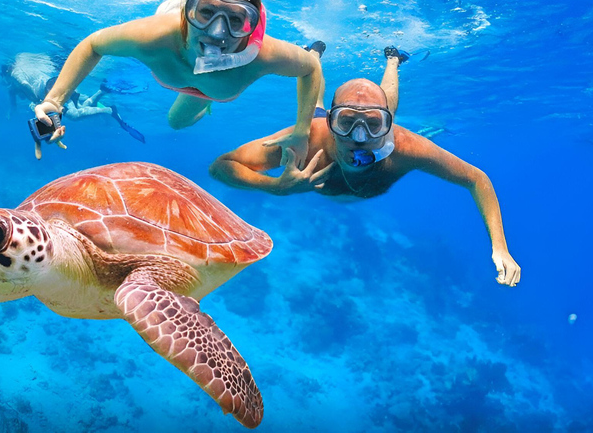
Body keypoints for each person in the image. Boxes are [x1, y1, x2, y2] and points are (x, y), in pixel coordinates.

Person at [209, 47, 521, 287]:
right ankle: (312, 58)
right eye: (346, 121)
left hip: (369, 129)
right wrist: (274, 187)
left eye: (374, 124)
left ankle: (393, 61)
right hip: (321, 121)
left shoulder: (406, 147)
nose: (359, 138)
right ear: (333, 122)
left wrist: (500, 248)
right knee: (313, 109)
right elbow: (220, 166)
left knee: (386, 103)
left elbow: (476, 179)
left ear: (387, 127)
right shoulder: (309, 138)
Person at [33, 0, 322, 160]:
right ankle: (207, 92)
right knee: (175, 123)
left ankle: (209, 95)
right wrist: (54, 101)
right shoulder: (154, 37)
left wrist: (302, 132)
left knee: (178, 120)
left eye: (235, 19)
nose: (217, 33)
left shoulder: (262, 56)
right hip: (201, 74)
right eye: (206, 12)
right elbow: (93, 44)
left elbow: (311, 69)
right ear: (187, 10)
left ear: (250, 24)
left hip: (211, 88)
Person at [1, 53, 144, 149]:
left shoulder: (15, 74)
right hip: (54, 84)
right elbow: (13, 105)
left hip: (51, 89)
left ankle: (109, 110)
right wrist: (10, 114)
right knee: (80, 107)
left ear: (6, 72)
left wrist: (38, 102)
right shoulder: (11, 88)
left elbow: (26, 85)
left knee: (74, 116)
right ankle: (102, 90)